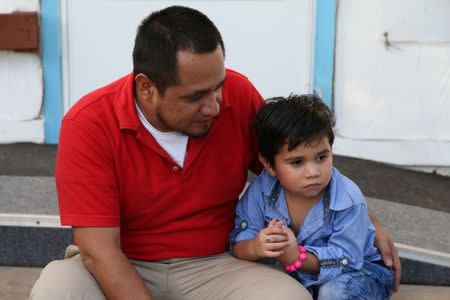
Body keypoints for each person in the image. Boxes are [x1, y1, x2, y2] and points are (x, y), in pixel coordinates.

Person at [31, 5, 400, 300]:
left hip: (215, 264)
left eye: (218, 86)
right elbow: (100, 253)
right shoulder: (88, 123)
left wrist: (365, 219)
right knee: (55, 290)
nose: (215, 105)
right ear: (146, 88)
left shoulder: (236, 95)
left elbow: (295, 159)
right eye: (196, 96)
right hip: (121, 263)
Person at [230, 94, 395, 299]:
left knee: (333, 293)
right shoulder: (261, 191)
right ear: (269, 165)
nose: (313, 172)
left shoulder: (348, 199)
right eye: (297, 162)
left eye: (321, 157)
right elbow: (238, 243)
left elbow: (348, 260)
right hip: (300, 272)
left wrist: (296, 257)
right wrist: (255, 247)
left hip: (360, 271)